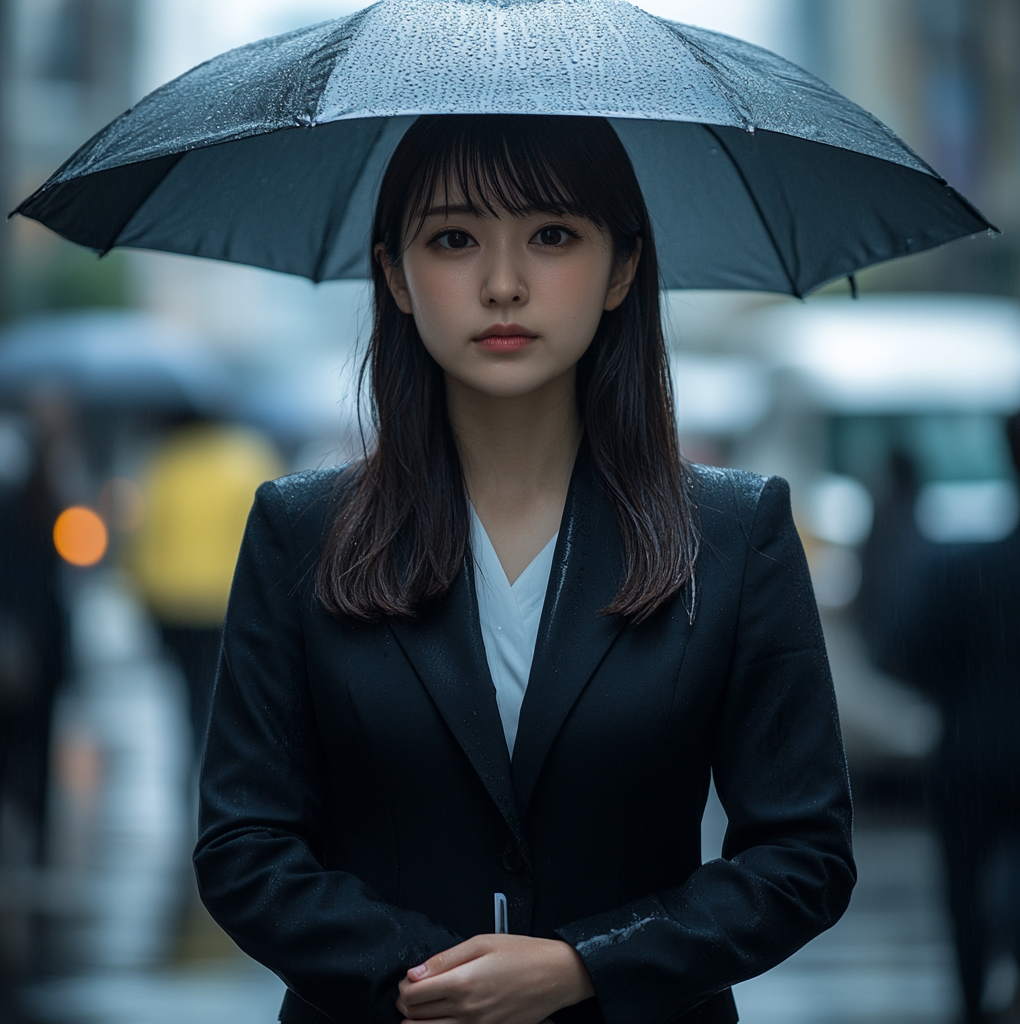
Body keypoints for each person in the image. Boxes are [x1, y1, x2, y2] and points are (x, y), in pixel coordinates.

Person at [195, 115, 855, 1024]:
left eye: (552, 236)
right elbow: (244, 844)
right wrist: (432, 978)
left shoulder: (736, 534)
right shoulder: (301, 530)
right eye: (454, 239)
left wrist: (581, 966)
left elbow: (803, 855)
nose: (503, 285)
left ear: (623, 266)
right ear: (394, 272)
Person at [869, 418, 1020, 1024]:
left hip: (969, 750)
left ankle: (971, 999)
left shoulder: (963, 568)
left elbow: (901, 651)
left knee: (963, 891)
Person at [127, 419, 284, 755]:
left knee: (188, 684)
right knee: (219, 686)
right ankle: (211, 747)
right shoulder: (248, 458)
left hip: (173, 601)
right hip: (224, 600)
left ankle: (195, 742)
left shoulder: (165, 461)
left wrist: (141, 593)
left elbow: (146, 535)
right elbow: (270, 532)